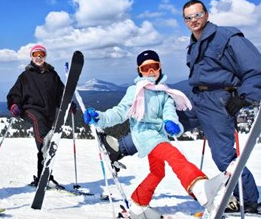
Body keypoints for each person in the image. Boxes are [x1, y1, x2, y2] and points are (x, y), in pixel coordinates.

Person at [83, 50, 227, 218]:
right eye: (146, 68)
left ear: (160, 68)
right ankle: (200, 187)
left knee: (158, 172)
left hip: (159, 135)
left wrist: (171, 123)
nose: (151, 71)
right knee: (175, 156)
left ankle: (138, 203)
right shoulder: (135, 90)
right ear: (139, 71)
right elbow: (120, 112)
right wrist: (100, 117)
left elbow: (169, 112)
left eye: (154, 66)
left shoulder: (165, 93)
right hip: (143, 134)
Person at [181, 0, 261, 213]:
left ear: (207, 14)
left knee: (223, 157)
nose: (194, 20)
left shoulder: (227, 37)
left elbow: (257, 69)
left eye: (197, 14)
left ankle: (249, 201)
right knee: (168, 122)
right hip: (197, 99)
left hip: (217, 101)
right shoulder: (193, 44)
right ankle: (121, 148)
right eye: (189, 17)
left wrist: (242, 97)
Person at [6, 44, 66, 188]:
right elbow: (14, 93)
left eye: (41, 54)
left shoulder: (53, 75)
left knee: (49, 144)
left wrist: (69, 104)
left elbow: (61, 94)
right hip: (30, 110)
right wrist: (14, 105)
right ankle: (42, 177)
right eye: (35, 55)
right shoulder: (25, 75)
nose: (39, 57)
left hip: (49, 112)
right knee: (43, 139)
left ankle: (45, 176)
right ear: (31, 57)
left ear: (45, 56)